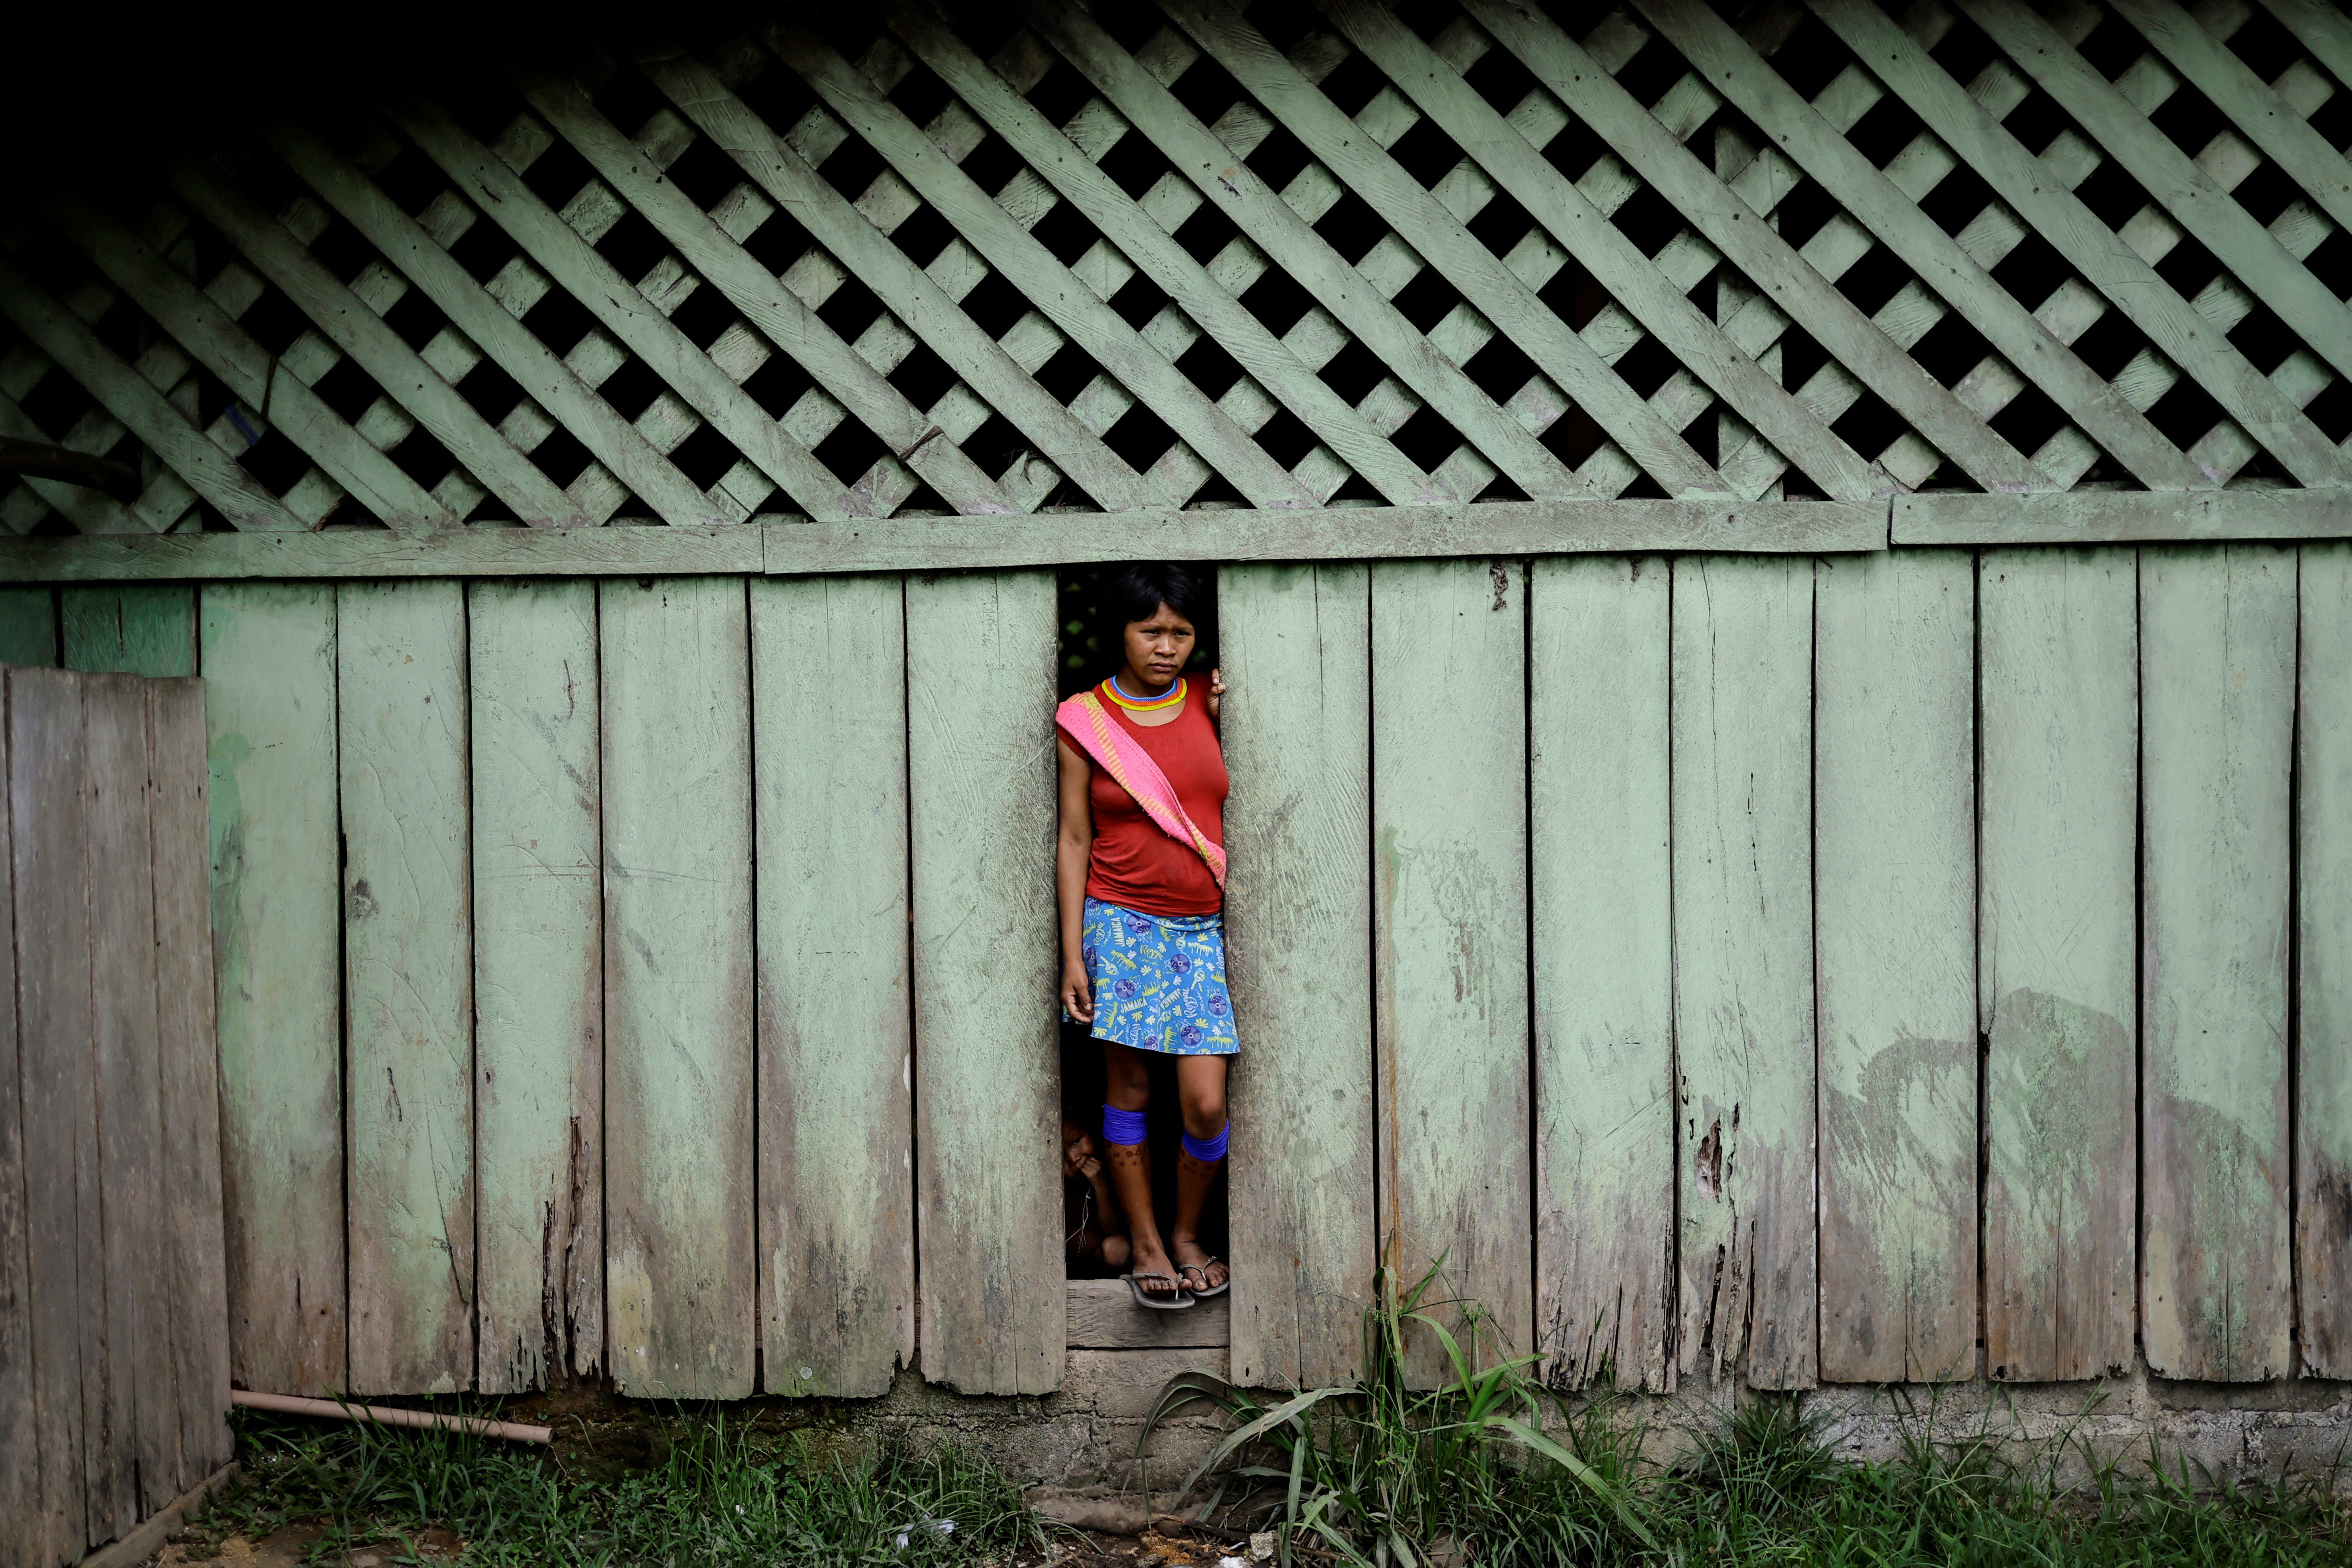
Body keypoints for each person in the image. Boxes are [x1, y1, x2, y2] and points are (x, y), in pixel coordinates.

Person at [1055, 564, 1233, 1310]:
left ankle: (1190, 1232)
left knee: (1203, 1104)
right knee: (1126, 1087)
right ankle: (1150, 1243)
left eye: (1180, 633)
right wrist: (1071, 952)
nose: (1165, 647)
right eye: (1149, 630)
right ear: (1120, 633)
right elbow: (1071, 837)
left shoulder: (1208, 700)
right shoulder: (1082, 720)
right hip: (1118, 921)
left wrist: (1217, 708)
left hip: (1197, 931)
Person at [1062, 1118, 1130, 1275]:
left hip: (1098, 1259)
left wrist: (1100, 1186)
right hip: (1068, 1260)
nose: (1073, 1158)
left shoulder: (1115, 1167)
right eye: (1060, 1153)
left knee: (1116, 1249)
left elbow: (1113, 1230)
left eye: (1077, 1141)